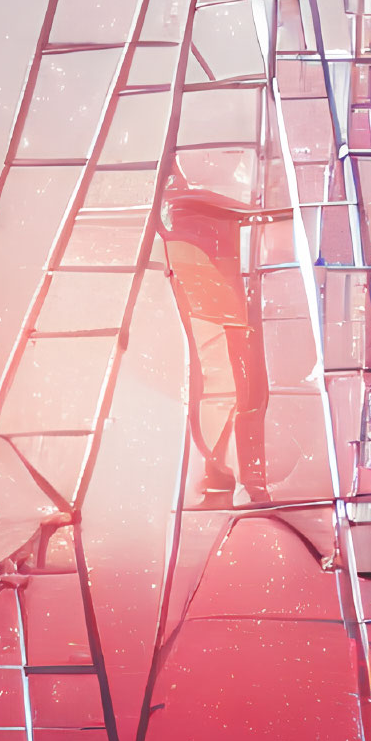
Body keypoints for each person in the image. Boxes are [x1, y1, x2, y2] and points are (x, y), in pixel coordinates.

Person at [158, 174, 275, 506]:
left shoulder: (183, 200)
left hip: (199, 276)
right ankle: (238, 481)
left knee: (216, 378)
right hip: (216, 275)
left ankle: (224, 476)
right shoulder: (202, 199)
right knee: (238, 382)